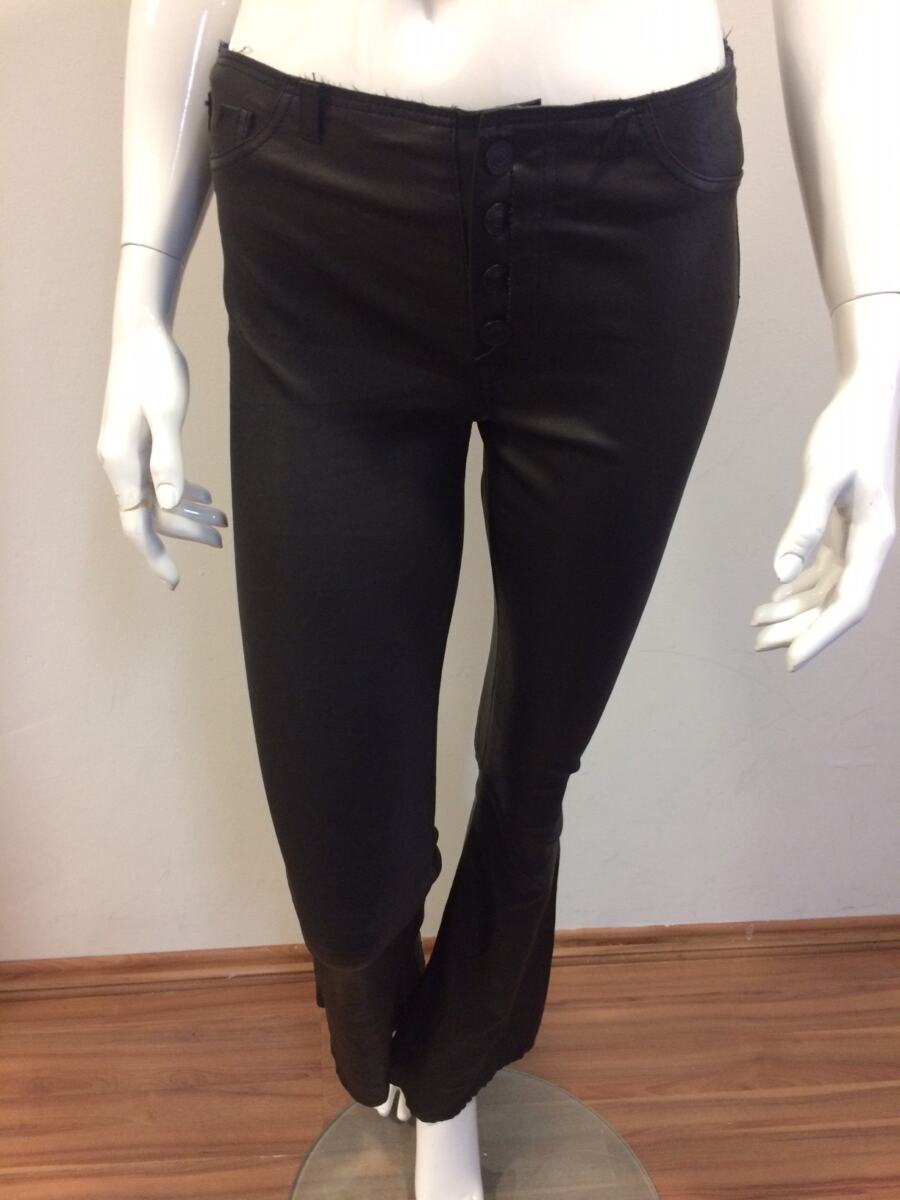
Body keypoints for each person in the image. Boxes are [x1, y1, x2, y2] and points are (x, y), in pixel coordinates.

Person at [97, 3, 900, 1198]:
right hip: (318, 202)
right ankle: (397, 1035)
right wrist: (139, 290)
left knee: (534, 758)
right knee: (338, 821)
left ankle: (451, 1079)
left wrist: (878, 345)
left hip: (634, 214)